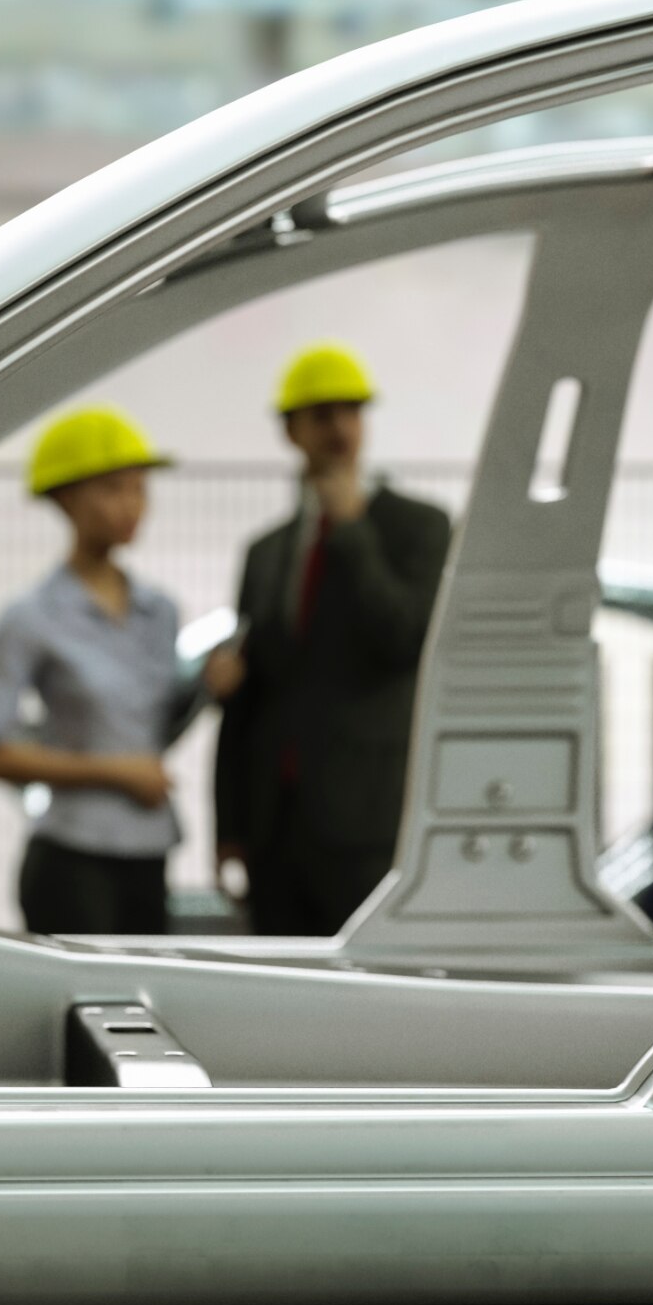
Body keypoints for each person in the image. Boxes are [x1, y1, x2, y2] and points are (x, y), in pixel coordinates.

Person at [210, 344, 452, 937]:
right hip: (276, 824)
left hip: (368, 820)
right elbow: (253, 697)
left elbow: (405, 638)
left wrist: (352, 532)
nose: (339, 428)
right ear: (292, 431)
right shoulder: (267, 552)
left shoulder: (416, 526)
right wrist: (230, 826)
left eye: (350, 412)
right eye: (322, 415)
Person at [0, 406, 199, 938]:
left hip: (150, 850)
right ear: (67, 498)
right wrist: (116, 773)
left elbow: (151, 725)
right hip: (73, 856)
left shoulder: (158, 611)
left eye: (140, 488)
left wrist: (207, 687)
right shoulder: (30, 618)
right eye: (114, 488)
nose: (132, 505)